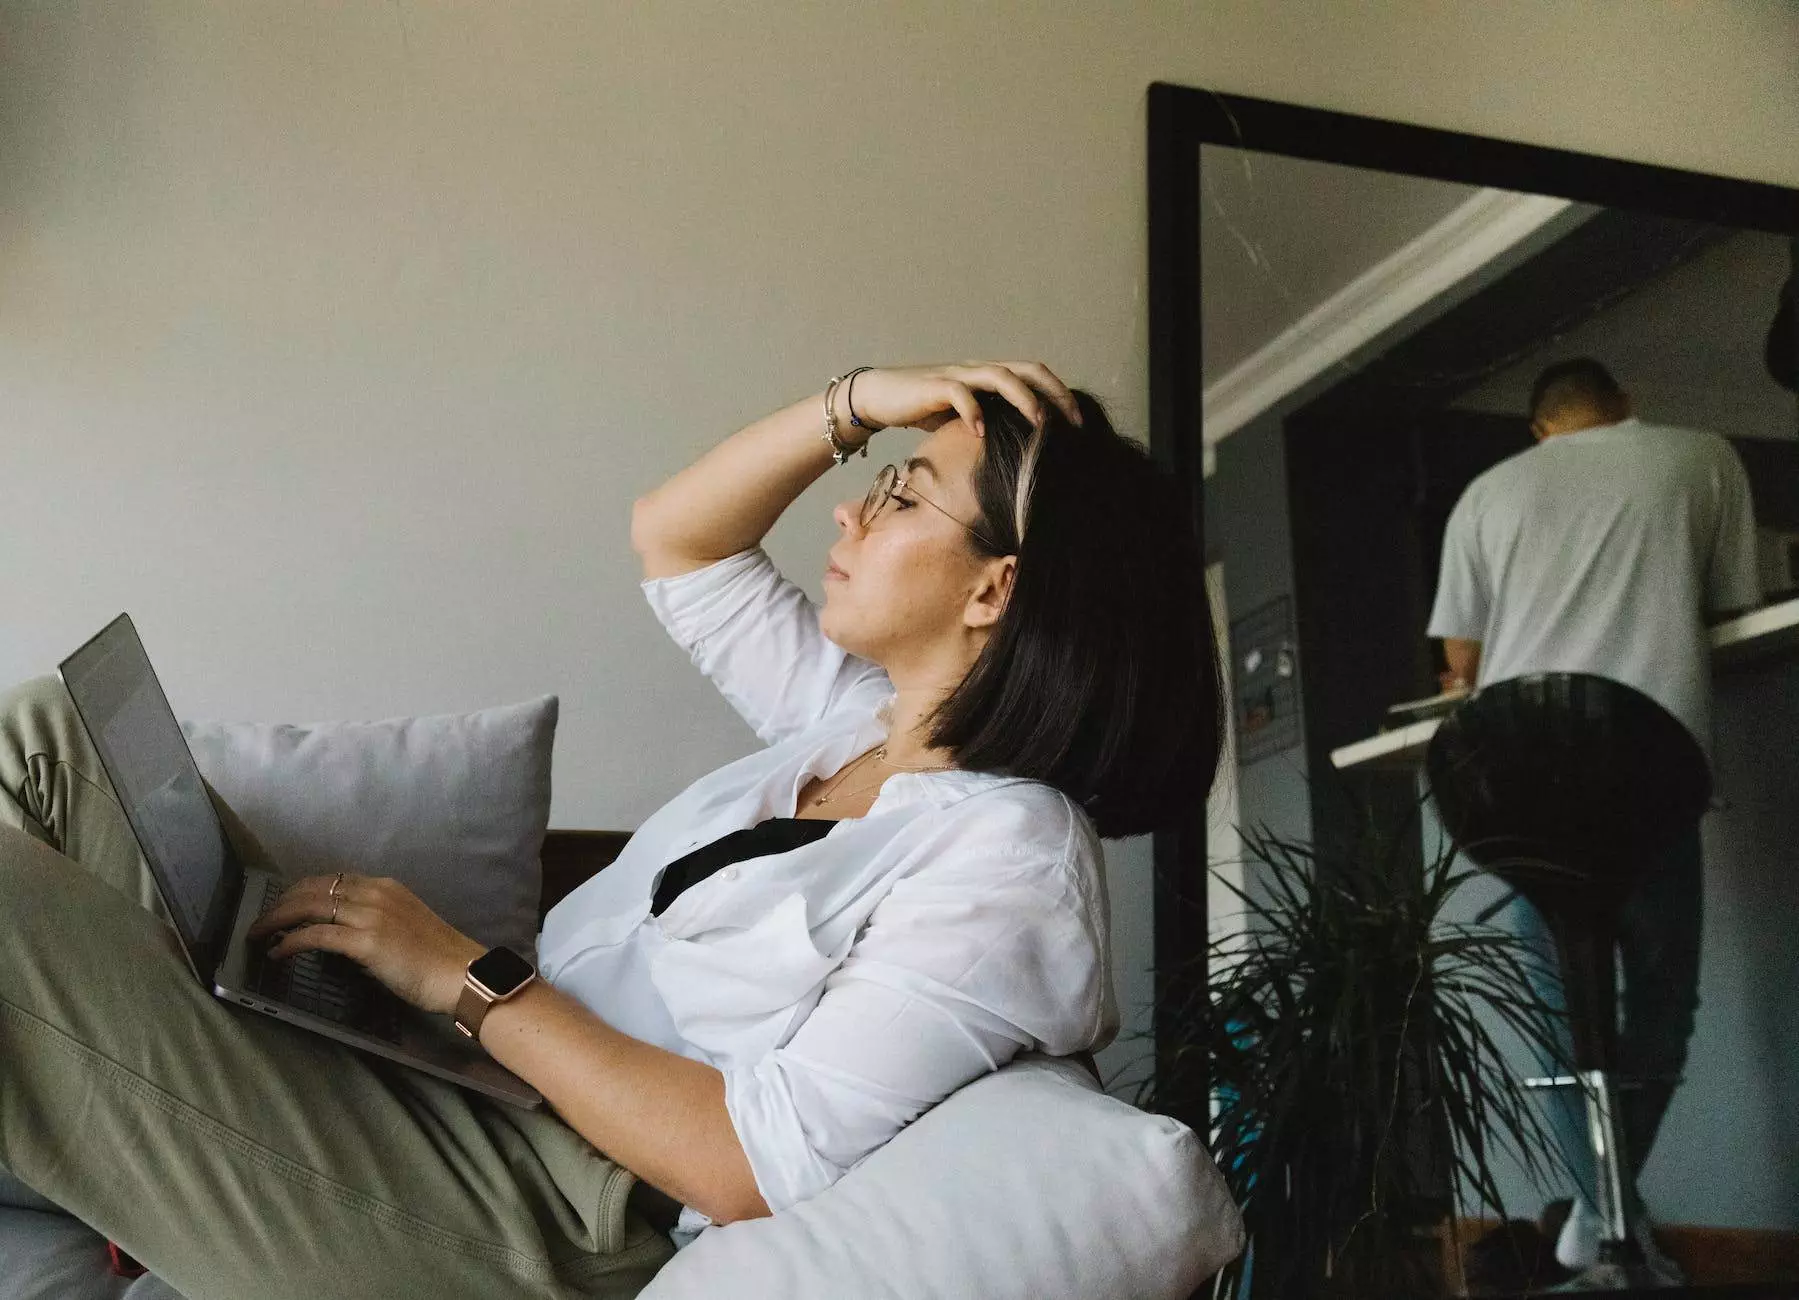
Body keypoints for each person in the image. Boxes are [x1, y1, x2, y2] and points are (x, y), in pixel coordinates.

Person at [0, 361, 1222, 1298]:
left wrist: (461, 974)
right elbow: (678, 538)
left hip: (543, 1208)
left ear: (991, 588)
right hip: (452, 1075)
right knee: (52, 734)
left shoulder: (1007, 854)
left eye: (901, 495)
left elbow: (751, 1165)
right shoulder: (855, 722)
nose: (849, 516)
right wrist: (863, 398)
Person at [1427, 356, 1762, 1281]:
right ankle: (1606, 1220)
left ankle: (1597, 1218)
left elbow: (1460, 662)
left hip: (1515, 786)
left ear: (1538, 429)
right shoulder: (1701, 455)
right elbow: (1733, 601)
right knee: (1660, 1004)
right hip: (1644, 770)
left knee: (1557, 1017)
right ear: (1626, 407)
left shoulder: (1485, 494)